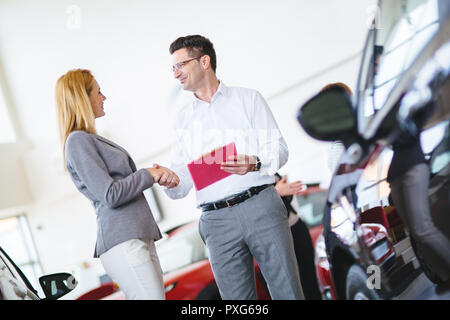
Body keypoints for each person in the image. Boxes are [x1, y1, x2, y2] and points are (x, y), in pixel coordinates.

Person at [159, 35, 304, 300]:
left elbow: (279, 149)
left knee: (287, 291)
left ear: (204, 61)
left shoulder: (248, 99)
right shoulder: (181, 121)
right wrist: (169, 181)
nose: (176, 73)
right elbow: (182, 182)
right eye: (173, 68)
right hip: (215, 221)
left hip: (260, 204)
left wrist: (254, 162)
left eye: (181, 65)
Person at [54, 69, 179, 300]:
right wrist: (149, 174)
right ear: (83, 97)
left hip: (137, 237)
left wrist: (152, 175)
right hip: (124, 242)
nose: (104, 97)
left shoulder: (89, 139)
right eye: (98, 92)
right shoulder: (77, 141)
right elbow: (109, 194)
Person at [274, 173, 322, 300]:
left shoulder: (271, 170)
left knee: (310, 284)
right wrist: (275, 192)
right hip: (277, 236)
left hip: (296, 228)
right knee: (290, 287)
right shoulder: (247, 179)